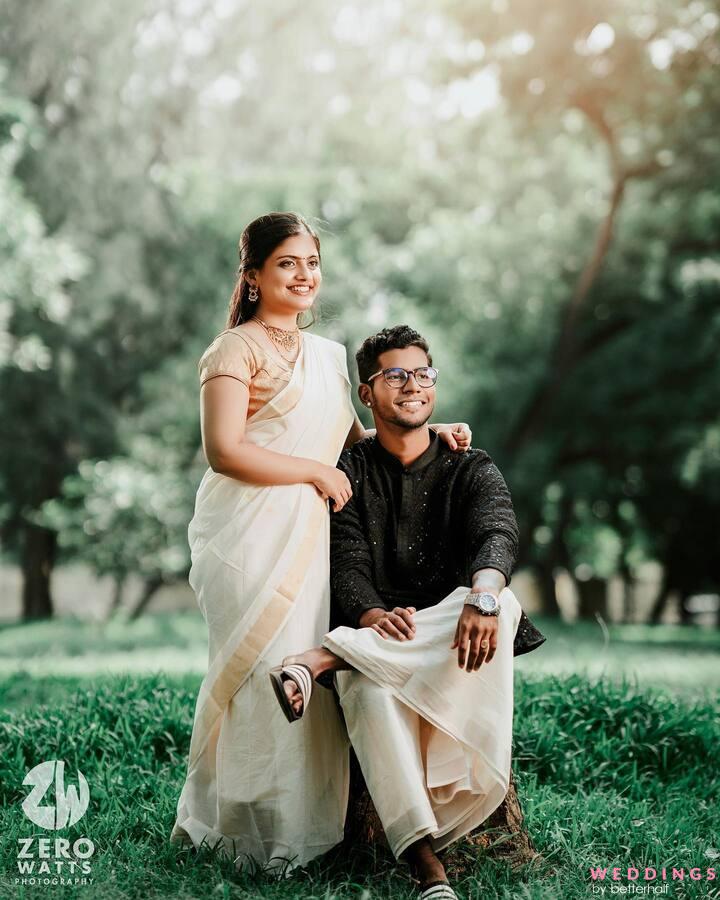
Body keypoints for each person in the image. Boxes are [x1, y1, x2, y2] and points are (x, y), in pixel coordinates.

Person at [170, 214, 473, 873]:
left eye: (312, 261)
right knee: (259, 668)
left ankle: (302, 833)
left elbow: (352, 444)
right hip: (247, 532)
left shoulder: (328, 354)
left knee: (302, 669)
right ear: (252, 277)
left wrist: (427, 424)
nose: (305, 274)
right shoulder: (234, 351)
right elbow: (224, 452)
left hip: (313, 535)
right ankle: (240, 834)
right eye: (288, 263)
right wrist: (311, 471)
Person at [271, 325, 545, 899]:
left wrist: (483, 597)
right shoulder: (348, 469)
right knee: (367, 688)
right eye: (395, 375)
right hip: (382, 637)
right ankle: (429, 872)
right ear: (367, 394)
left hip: (457, 647)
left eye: (422, 374)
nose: (412, 385)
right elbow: (345, 561)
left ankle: (323, 658)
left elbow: (497, 531)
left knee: (506, 601)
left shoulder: (468, 464)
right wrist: (370, 617)